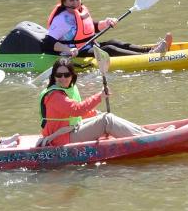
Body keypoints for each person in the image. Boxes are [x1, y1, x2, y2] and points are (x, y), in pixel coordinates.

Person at [36, 59, 172, 147]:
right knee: (106, 120)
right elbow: (76, 110)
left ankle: (148, 134)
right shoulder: (54, 95)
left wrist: (93, 114)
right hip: (60, 138)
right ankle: (150, 140)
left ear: (72, 75)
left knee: (104, 116)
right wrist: (99, 97)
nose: (63, 78)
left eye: (66, 74)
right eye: (59, 75)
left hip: (70, 130)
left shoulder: (69, 88)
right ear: (54, 76)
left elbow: (73, 115)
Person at [42, 0, 172, 58]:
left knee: (113, 41)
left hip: (87, 46)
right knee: (109, 49)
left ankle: (151, 50)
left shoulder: (80, 12)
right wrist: (68, 50)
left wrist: (106, 22)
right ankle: (148, 57)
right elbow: (48, 43)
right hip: (74, 52)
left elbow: (90, 27)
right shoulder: (61, 20)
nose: (75, 3)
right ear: (64, 2)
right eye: (71, 0)